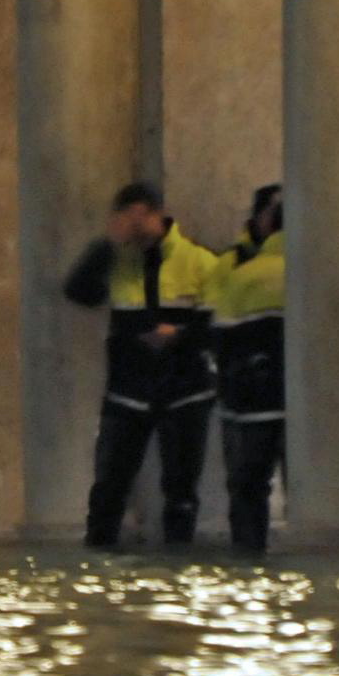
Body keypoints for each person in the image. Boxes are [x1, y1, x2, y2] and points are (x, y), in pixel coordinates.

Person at [63, 181, 226, 548]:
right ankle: (99, 560)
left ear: (158, 214)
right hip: (127, 391)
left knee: (181, 489)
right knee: (108, 487)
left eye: (141, 219)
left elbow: (219, 324)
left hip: (185, 391)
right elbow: (78, 291)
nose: (135, 229)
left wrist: (178, 335)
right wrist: (106, 246)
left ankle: (177, 562)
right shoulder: (117, 261)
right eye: (127, 220)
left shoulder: (198, 261)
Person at [208, 184, 287, 552]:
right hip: (301, 410)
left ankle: (249, 557)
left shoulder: (243, 273)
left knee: (248, 487)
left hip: (249, 404)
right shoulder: (316, 270)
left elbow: (219, 337)